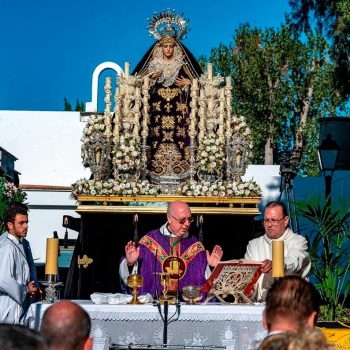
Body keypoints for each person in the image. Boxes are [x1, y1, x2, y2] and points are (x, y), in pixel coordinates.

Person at [132, 10, 203, 182]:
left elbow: (200, 82)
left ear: (175, 47)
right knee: (153, 136)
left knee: (184, 136)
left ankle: (185, 169)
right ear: (160, 47)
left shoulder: (182, 63)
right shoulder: (153, 64)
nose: (169, 49)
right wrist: (150, 79)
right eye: (165, 46)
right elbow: (136, 83)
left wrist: (188, 84)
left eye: (171, 46)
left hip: (179, 110)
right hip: (156, 110)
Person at [120, 200, 223, 297]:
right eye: (182, 220)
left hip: (187, 307)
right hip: (154, 307)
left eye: (189, 219)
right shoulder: (149, 242)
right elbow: (131, 281)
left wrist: (215, 268)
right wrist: (130, 264)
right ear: (169, 218)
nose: (187, 224)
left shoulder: (195, 246)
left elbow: (208, 287)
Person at [244, 201, 311, 301]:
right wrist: (248, 292)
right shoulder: (254, 245)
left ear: (285, 220)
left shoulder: (298, 242)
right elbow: (248, 278)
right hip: (262, 306)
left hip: (291, 304)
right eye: (266, 220)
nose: (269, 225)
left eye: (274, 220)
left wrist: (276, 264)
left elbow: (295, 261)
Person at [0, 203, 38, 323]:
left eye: (26, 222)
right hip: (8, 305)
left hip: (17, 302)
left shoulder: (21, 243)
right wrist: (25, 290)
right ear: (10, 225)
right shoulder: (7, 247)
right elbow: (2, 278)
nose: (26, 226)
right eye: (21, 223)